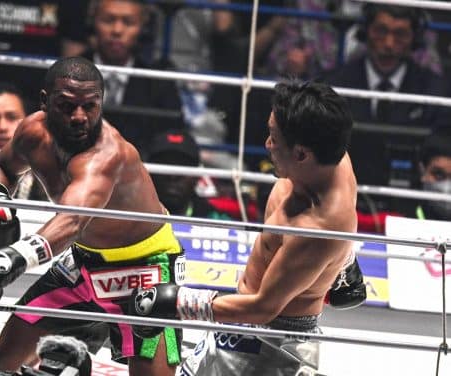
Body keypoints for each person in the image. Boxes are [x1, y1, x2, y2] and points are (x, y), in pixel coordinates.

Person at [0, 56, 184, 376]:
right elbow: (3, 165)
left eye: (90, 106)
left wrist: (11, 258)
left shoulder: (108, 155)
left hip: (145, 269)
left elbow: (73, 220)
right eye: (67, 106)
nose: (80, 117)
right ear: (44, 102)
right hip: (84, 263)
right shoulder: (32, 132)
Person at [129, 80, 365, 375]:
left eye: (273, 137)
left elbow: (265, 307)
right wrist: (345, 260)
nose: (267, 144)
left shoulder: (316, 227)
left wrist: (179, 301)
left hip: (271, 339)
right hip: (240, 316)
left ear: (302, 153)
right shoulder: (331, 152)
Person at [324, 3, 451, 187]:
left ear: (414, 38)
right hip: (343, 189)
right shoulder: (335, 85)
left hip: (414, 195)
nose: (389, 43)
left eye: (400, 34)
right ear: (366, 31)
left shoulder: (435, 90)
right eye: (381, 31)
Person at [83, 0, 186, 153]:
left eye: (128, 22)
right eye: (108, 20)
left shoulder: (159, 84)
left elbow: (170, 142)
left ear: (143, 29)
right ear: (93, 23)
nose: (117, 30)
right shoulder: (66, 76)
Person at [147, 129, 231, 220]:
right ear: (148, 172)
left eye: (182, 166)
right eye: (164, 164)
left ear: (197, 176)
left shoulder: (216, 221)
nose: (173, 176)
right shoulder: (130, 215)